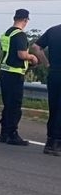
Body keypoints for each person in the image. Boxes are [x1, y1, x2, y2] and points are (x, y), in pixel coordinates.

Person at [0, 9, 40, 146]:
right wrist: (32, 58)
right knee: (15, 106)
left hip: (4, 71)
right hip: (15, 73)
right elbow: (21, 54)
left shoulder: (7, 33)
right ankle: (12, 134)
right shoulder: (20, 35)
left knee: (7, 104)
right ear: (25, 20)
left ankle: (4, 133)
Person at [32, 20, 61, 156]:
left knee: (54, 107)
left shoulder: (53, 30)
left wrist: (47, 64)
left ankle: (50, 141)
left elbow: (36, 47)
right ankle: (57, 143)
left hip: (54, 73)